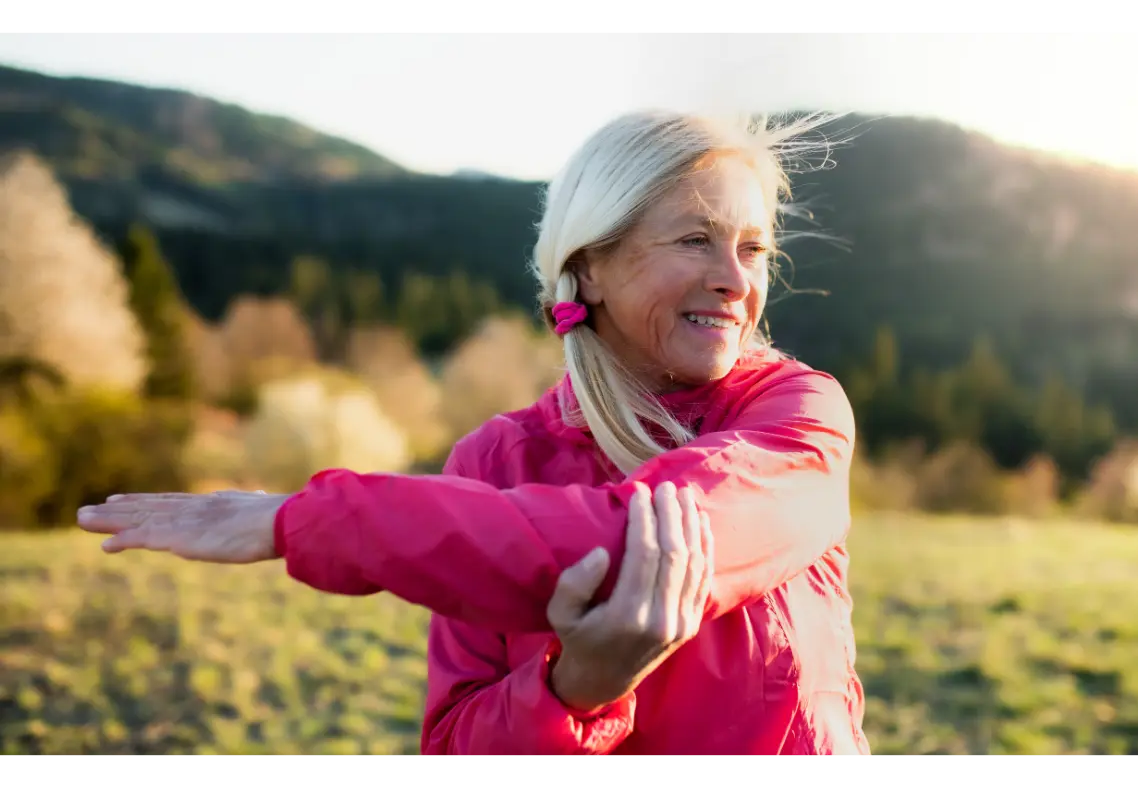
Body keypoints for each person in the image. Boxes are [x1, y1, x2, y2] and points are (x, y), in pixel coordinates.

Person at [76, 108, 871, 759]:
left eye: (754, 247)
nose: (737, 279)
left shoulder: (799, 413)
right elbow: (458, 745)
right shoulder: (494, 461)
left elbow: (651, 539)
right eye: (696, 238)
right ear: (589, 266)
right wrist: (573, 693)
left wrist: (308, 520)